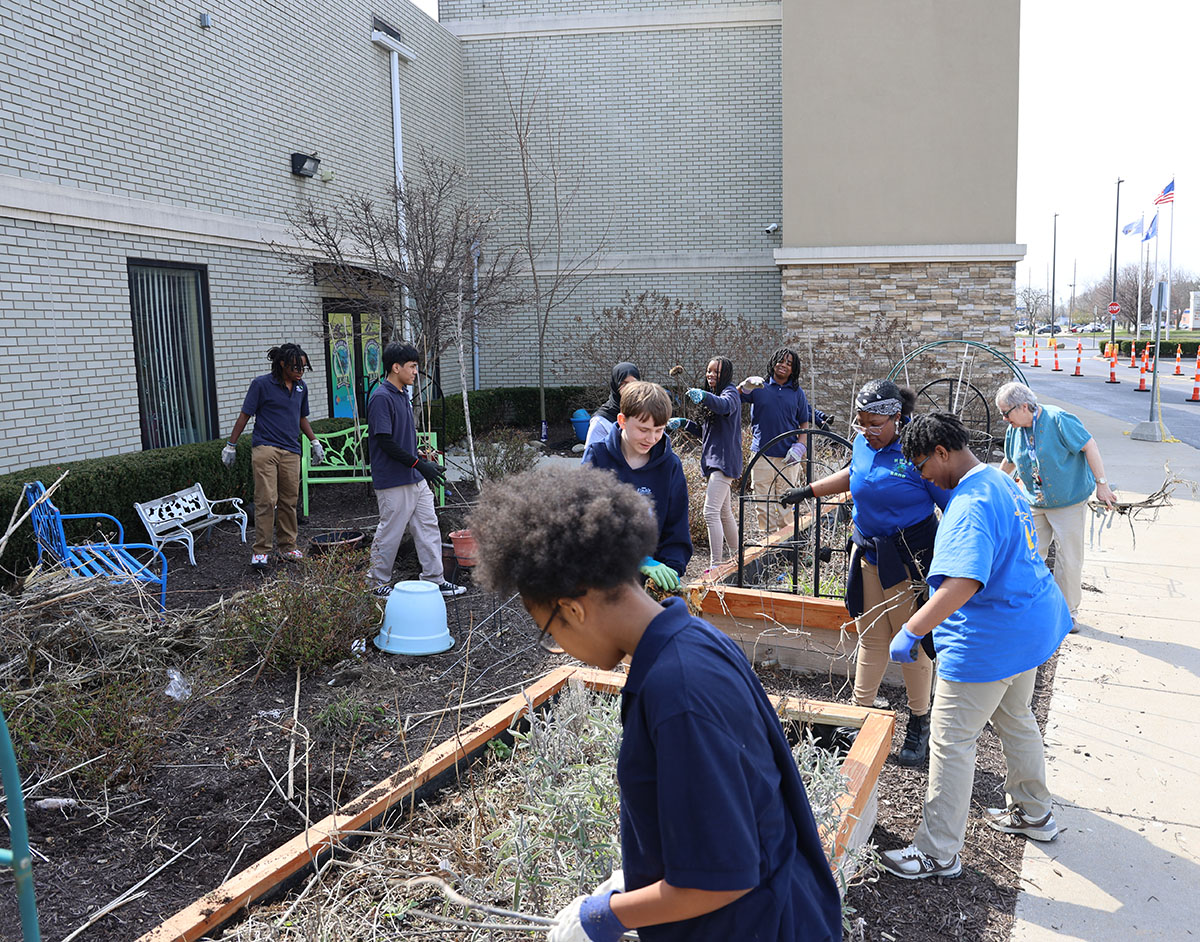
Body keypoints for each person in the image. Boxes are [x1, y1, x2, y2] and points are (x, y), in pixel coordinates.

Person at [469, 465, 843, 942]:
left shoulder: (679, 692)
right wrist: (642, 876)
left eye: (551, 634)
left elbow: (721, 877)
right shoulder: (690, 640)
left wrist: (608, 915)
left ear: (573, 609)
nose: (559, 647)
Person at [877, 413, 1071, 881]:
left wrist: (913, 629)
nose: (923, 477)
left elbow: (963, 581)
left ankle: (937, 851)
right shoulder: (1000, 480)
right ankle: (1034, 813)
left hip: (990, 641)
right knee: (1015, 717)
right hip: (1031, 624)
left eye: (923, 466)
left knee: (951, 742)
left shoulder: (969, 504)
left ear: (942, 452)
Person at [780, 380, 950, 766]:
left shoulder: (916, 453)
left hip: (909, 559)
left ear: (897, 418)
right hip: (870, 553)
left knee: (912, 639)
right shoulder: (862, 444)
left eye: (875, 423)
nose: (867, 430)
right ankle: (857, 717)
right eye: (861, 423)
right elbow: (852, 475)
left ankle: (920, 722)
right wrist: (808, 492)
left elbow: (950, 500)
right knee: (872, 637)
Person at [996, 382, 1116, 631]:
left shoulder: (1059, 419)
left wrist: (1101, 484)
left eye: (1006, 412)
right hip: (1034, 501)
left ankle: (1067, 612)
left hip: (1068, 501)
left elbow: (1089, 445)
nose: (1005, 419)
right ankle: (1033, 606)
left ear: (1025, 406)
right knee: (1029, 555)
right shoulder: (1015, 430)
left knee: (1068, 559)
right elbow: (1009, 460)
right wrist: (996, 486)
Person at [365, 342, 465, 598]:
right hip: (393, 480)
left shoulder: (401, 395)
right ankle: (376, 584)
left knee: (428, 525)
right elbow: (385, 442)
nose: (415, 372)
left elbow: (400, 439)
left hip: (414, 476)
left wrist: (421, 458)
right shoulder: (381, 397)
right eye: (411, 367)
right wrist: (419, 464)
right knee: (391, 531)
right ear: (395, 367)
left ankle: (434, 579)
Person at [222, 344, 325, 569]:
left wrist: (315, 442)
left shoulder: (301, 387)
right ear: (282, 364)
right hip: (265, 448)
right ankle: (261, 551)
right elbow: (245, 415)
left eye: (303, 368)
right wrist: (231, 445)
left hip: (291, 450)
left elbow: (301, 418)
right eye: (296, 367)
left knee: (289, 500)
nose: (300, 371)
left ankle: (288, 547)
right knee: (267, 500)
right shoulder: (261, 385)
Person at [581, 381, 692, 590]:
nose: (651, 438)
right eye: (643, 429)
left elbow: (676, 530)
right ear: (622, 421)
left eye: (659, 430)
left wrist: (671, 570)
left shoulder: (670, 465)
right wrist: (635, 560)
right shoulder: (597, 457)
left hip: (648, 586)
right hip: (602, 581)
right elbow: (585, 525)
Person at [666, 356, 742, 567]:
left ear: (725, 374)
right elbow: (704, 432)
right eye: (709, 371)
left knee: (710, 512)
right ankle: (737, 557)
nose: (711, 375)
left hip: (724, 462)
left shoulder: (730, 394)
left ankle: (716, 565)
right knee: (724, 513)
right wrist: (684, 423)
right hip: (714, 462)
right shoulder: (713, 398)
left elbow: (724, 406)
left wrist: (705, 396)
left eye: (716, 372)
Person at [737, 347, 810, 534]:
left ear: (793, 370)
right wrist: (744, 385)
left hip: (788, 457)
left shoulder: (797, 393)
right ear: (773, 362)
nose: (784, 365)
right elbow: (734, 397)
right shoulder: (759, 387)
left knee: (786, 504)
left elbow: (804, 422)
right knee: (763, 503)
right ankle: (767, 547)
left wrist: (800, 446)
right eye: (781, 361)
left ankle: (786, 546)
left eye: (789, 363)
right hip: (762, 455)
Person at [583, 361, 641, 454]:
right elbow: (591, 459)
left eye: (634, 383)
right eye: (624, 383)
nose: (630, 388)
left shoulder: (644, 414)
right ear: (615, 385)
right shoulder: (601, 422)